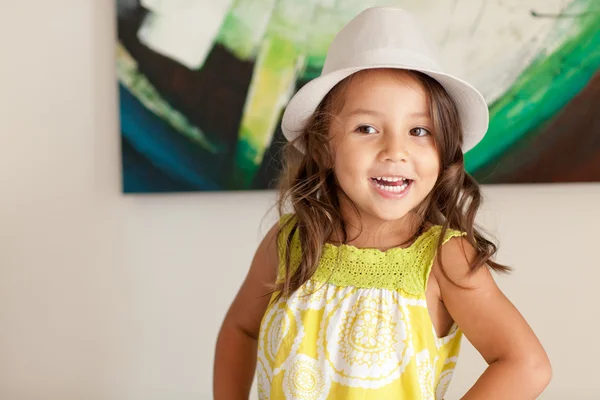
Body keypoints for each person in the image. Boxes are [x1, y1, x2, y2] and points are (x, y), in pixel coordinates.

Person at [214, 6, 551, 399]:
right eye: (367, 128)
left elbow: (527, 365)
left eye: (419, 130)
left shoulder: (444, 258)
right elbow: (241, 329)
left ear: (444, 148)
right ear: (324, 146)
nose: (395, 150)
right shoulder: (289, 241)